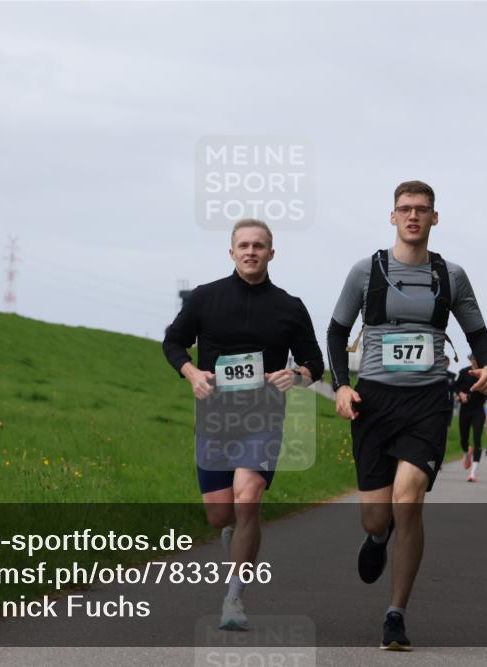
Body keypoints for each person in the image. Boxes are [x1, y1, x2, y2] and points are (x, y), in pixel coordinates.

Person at [326, 180, 487, 651]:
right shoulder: (367, 271)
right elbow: (337, 330)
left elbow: (479, 334)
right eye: (405, 209)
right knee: (376, 519)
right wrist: (341, 385)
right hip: (375, 402)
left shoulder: (451, 276)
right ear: (392, 216)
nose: (413, 217)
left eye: (422, 210)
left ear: (435, 218)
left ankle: (395, 615)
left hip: (428, 401)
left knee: (409, 500)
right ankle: (377, 540)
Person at [162, 218, 324, 631]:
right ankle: (232, 531)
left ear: (272, 253)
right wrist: (193, 374)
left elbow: (315, 363)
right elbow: (173, 341)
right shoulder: (205, 298)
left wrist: (297, 376)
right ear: (231, 252)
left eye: (259, 246)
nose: (251, 252)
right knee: (221, 515)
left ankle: (234, 598)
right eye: (244, 245)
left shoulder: (290, 306)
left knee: (248, 497)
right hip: (215, 418)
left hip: (263, 416)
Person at [456, 354, 487, 482]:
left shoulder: (484, 374)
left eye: (477, 359)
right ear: (470, 359)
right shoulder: (464, 372)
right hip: (465, 410)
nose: (474, 361)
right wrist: (460, 394)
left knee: (477, 439)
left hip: (478, 410)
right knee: (463, 439)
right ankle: (466, 452)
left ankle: (473, 473)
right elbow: (455, 386)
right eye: (472, 359)